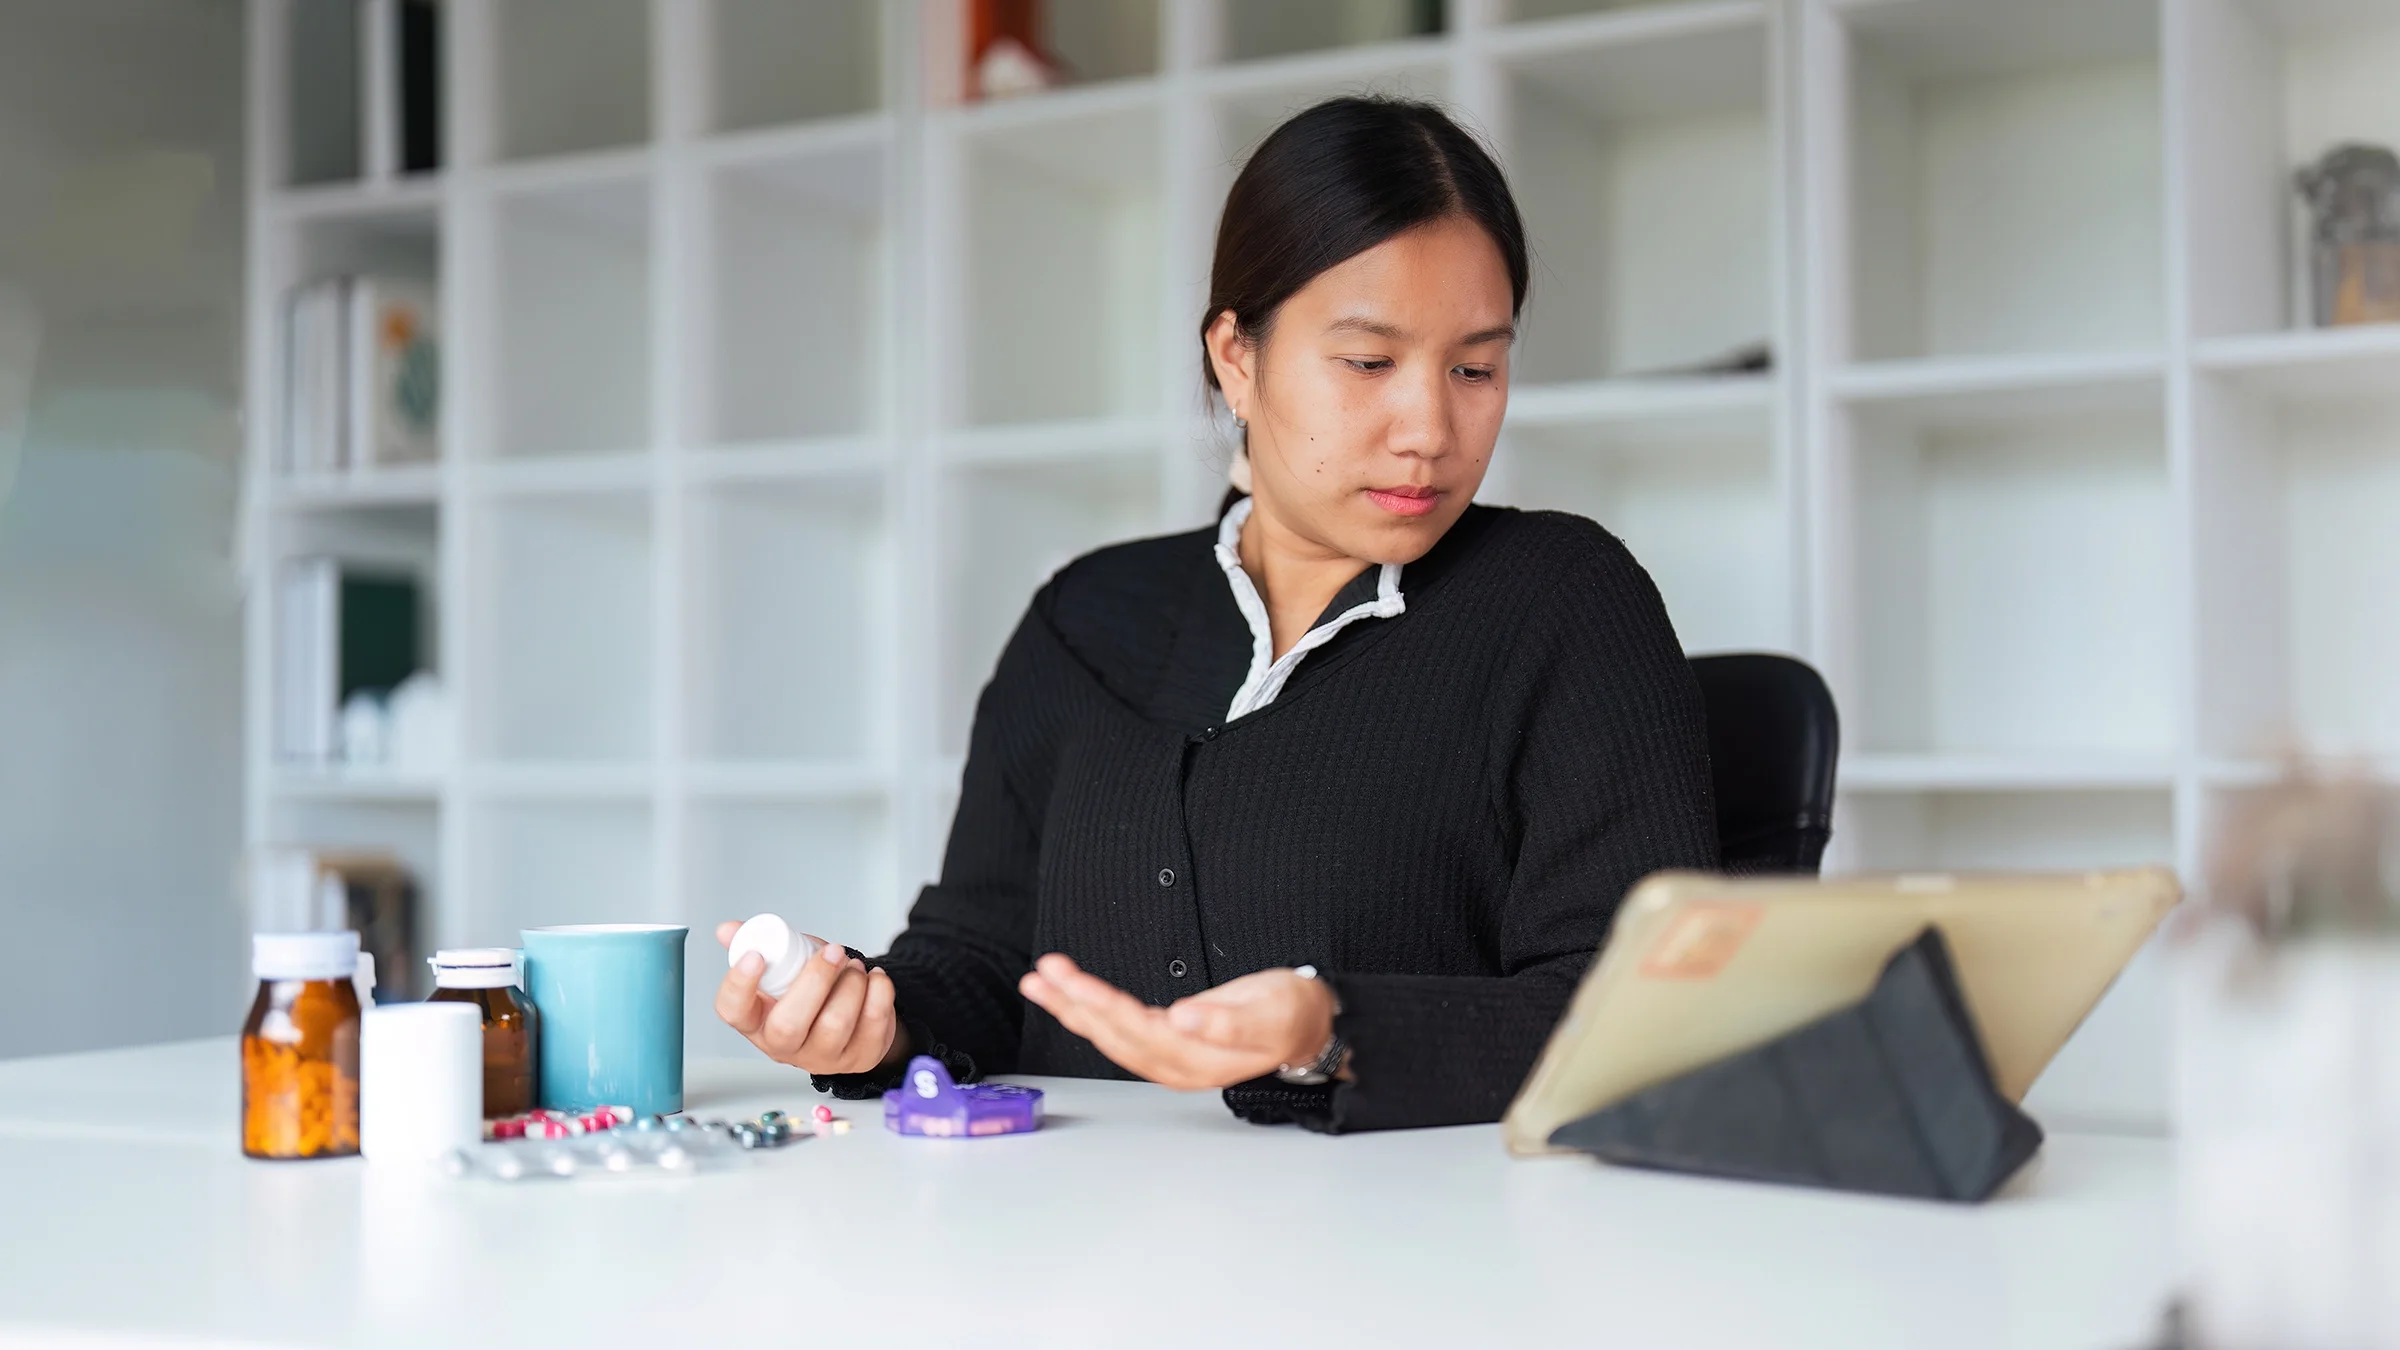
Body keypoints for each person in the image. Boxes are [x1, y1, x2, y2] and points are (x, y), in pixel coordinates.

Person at [712, 96, 1718, 1133]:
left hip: (1424, 1263)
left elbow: (1641, 1014)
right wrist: (871, 1026)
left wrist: (1329, 1028)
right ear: (1237, 358)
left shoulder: (1560, 601)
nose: (1429, 429)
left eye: (1476, 367)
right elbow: (979, 957)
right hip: (1073, 1258)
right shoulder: (1084, 620)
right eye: (1369, 363)